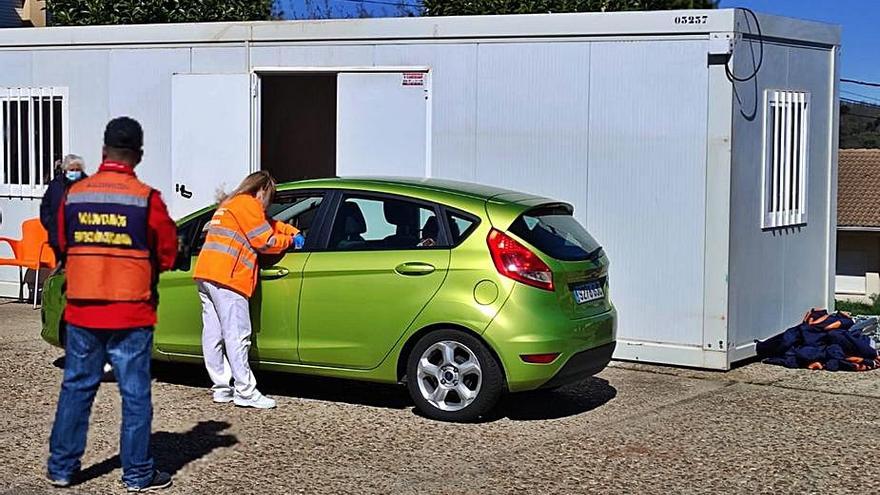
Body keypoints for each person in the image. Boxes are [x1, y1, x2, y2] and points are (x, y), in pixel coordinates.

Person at [47, 117, 178, 492]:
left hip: (83, 309)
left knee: (76, 387)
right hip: (130, 311)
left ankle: (62, 468)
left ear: (103, 151)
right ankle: (137, 474)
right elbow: (166, 253)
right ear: (137, 155)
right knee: (135, 394)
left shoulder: (75, 195)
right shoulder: (146, 199)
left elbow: (62, 242)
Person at [193, 171, 301, 409]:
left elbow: (267, 224)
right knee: (238, 335)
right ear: (262, 190)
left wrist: (290, 230)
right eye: (269, 198)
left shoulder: (231, 204)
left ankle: (221, 388)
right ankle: (245, 391)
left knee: (213, 334)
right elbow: (266, 242)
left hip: (207, 273)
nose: (267, 204)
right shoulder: (248, 204)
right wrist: (291, 241)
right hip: (229, 277)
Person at [40, 154, 86, 259]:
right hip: (57, 237)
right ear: (65, 169)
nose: (74, 172)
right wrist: (50, 223)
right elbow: (45, 206)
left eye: (77, 170)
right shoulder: (55, 185)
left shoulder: (86, 184)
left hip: (79, 237)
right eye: (72, 169)